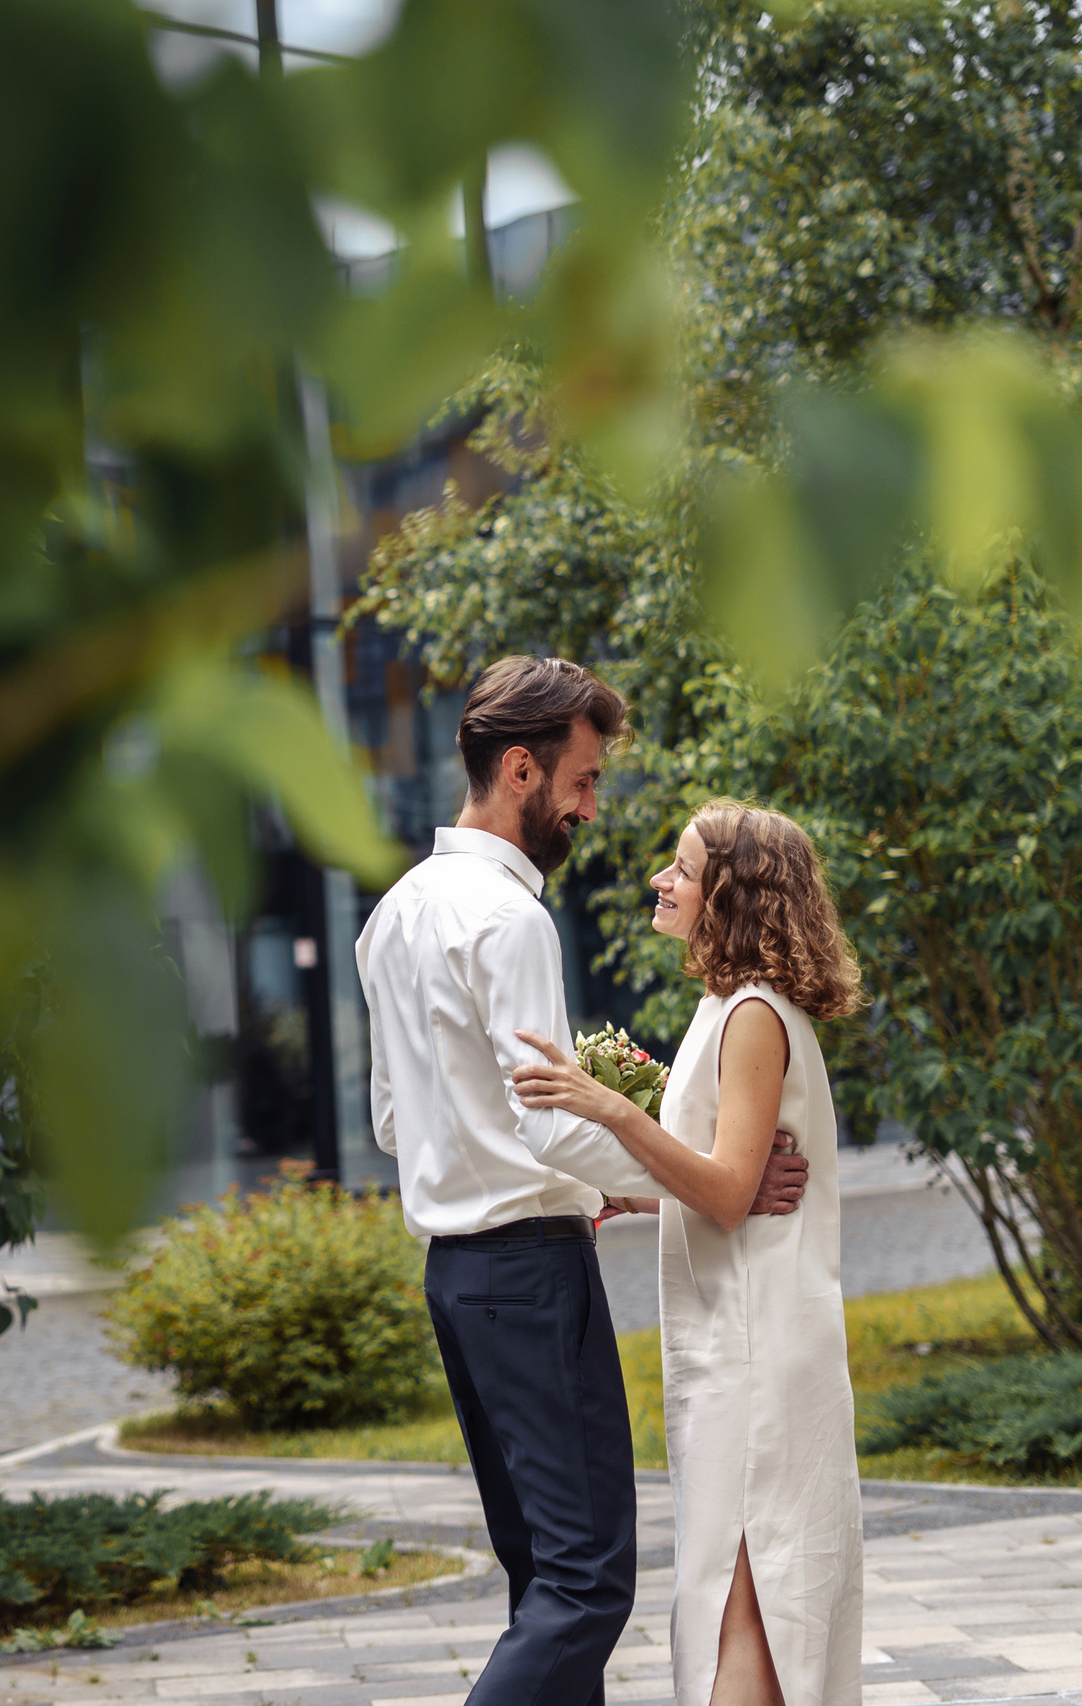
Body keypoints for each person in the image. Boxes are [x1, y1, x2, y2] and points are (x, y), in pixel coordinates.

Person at [355, 659, 811, 1706]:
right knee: (586, 1584)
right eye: (584, 780)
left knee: (543, 1582)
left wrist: (602, 1181)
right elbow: (548, 1119)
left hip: (458, 1281)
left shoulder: (394, 913)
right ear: (521, 768)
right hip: (526, 1276)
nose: (591, 807)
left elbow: (393, 1121)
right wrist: (698, 1183)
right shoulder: (509, 918)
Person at [513, 798, 865, 1706]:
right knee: (739, 1596)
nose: (661, 882)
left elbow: (726, 1188)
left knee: (747, 1604)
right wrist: (616, 1194)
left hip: (758, 1350)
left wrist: (609, 1108)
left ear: (730, 895)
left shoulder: (753, 1014)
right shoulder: (726, 1007)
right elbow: (717, 1185)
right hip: (735, 1340)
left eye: (681, 869)